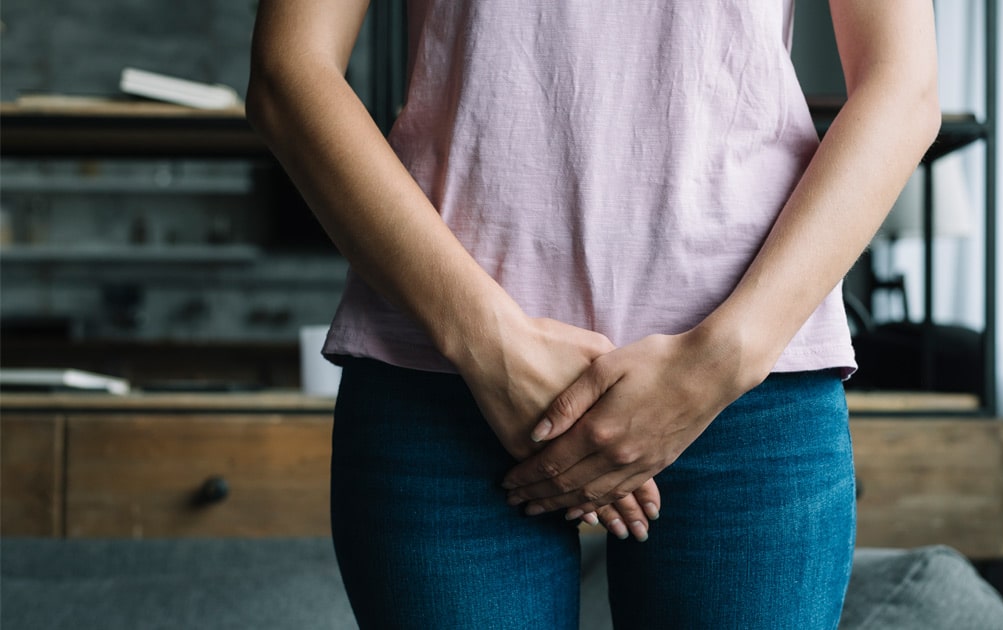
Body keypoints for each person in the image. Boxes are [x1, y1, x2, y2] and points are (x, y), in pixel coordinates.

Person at [247, 1, 938, 628]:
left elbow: (903, 82)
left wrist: (722, 359)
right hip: (445, 370)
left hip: (744, 388)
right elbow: (290, 70)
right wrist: (489, 345)